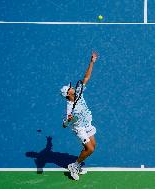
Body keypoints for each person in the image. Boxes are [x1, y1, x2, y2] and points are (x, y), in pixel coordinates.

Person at [60, 51, 98, 180]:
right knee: (90, 149)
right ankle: (74, 166)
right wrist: (68, 120)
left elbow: (86, 78)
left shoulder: (79, 93)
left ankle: (78, 162)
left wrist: (92, 62)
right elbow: (64, 125)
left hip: (87, 124)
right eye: (70, 89)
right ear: (68, 94)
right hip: (79, 128)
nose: (72, 88)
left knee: (93, 146)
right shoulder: (70, 108)